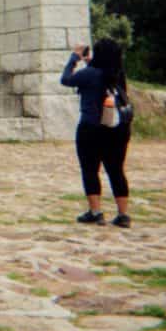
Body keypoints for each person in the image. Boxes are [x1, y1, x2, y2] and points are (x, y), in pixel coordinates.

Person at [61, 38, 132, 228]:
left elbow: (66, 79)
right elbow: (103, 74)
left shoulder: (89, 74)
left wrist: (74, 58)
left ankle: (96, 212)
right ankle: (123, 214)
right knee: (116, 170)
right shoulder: (119, 75)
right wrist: (89, 62)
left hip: (91, 128)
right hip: (118, 129)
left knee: (90, 170)